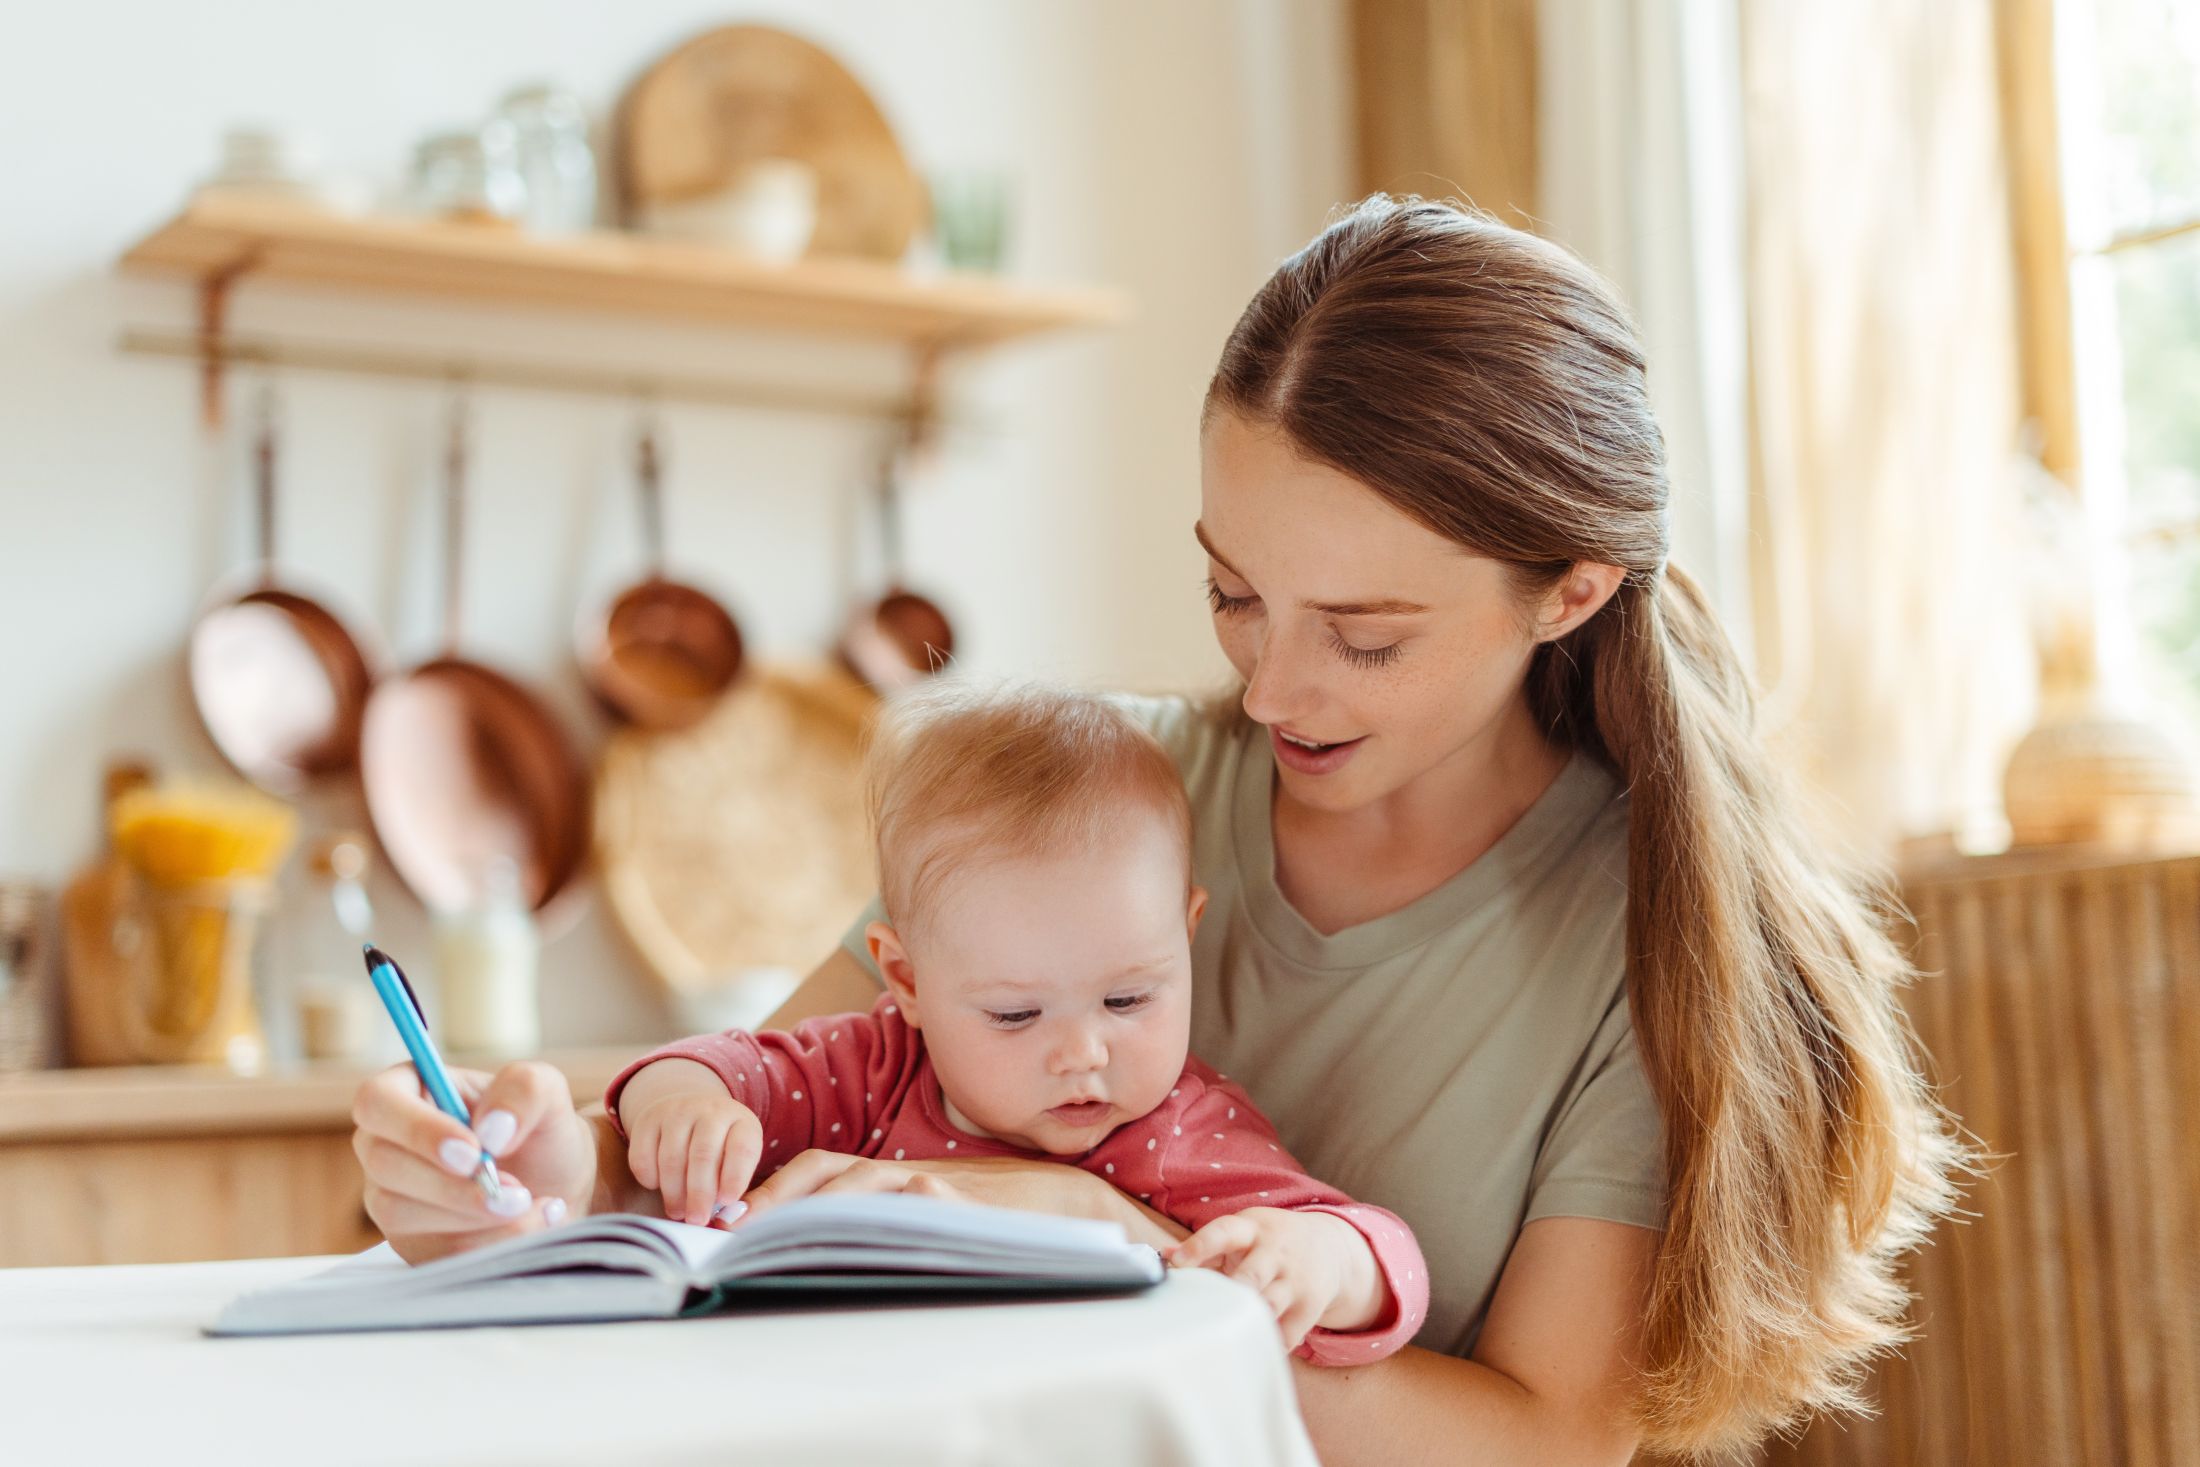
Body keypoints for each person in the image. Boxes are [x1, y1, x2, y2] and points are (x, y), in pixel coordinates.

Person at [351, 195, 1964, 1464]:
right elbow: (754, 1164)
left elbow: (1534, 1445)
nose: (1268, 685)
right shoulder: (1093, 791)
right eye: (1233, 592)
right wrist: (551, 1187)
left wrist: (1116, 1254)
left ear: (1572, 590)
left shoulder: (1643, 932)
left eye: (1367, 631)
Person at [606, 678, 1429, 1362]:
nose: (1081, 1051)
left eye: (1128, 999)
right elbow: (709, 1067)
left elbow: (1375, 1246)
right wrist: (682, 1108)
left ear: (1186, 932)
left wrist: (1319, 1258)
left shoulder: (1178, 1134)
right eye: (1015, 1012)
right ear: (907, 980)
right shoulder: (878, 1066)